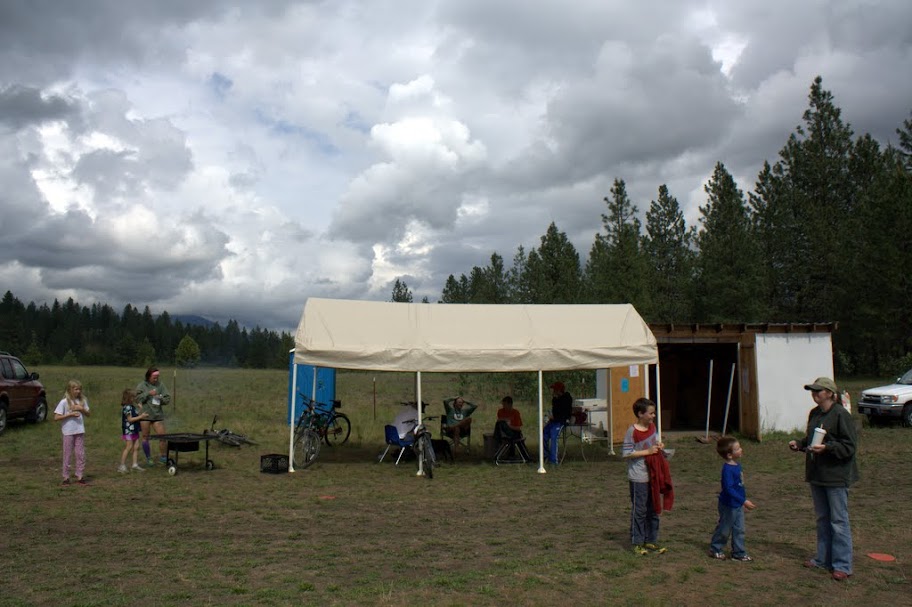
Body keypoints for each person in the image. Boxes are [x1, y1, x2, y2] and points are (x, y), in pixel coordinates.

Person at [789, 377, 858, 581]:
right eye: (812, 390)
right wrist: (800, 444)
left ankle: (842, 565)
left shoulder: (841, 415)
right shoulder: (815, 413)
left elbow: (849, 446)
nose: (814, 394)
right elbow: (812, 439)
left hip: (836, 475)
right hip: (817, 474)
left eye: (818, 391)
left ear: (829, 393)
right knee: (822, 519)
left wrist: (828, 448)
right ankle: (822, 559)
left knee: (838, 521)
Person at [622, 397, 669, 555]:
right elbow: (626, 453)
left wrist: (658, 446)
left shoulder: (652, 427)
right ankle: (637, 542)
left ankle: (651, 540)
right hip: (638, 477)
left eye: (654, 413)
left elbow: (654, 442)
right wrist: (647, 452)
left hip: (653, 476)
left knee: (654, 509)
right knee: (640, 510)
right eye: (651, 413)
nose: (653, 416)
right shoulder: (632, 431)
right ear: (640, 414)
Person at [709, 436, 756, 561]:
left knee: (739, 529)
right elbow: (729, 489)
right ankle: (715, 549)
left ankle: (739, 553)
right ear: (729, 455)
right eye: (738, 448)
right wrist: (743, 501)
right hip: (729, 505)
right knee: (725, 528)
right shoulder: (727, 470)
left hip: (737, 504)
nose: (741, 450)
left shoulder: (737, 466)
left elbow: (739, 486)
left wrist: (741, 501)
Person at [54, 379, 91, 486]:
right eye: (76, 389)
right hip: (68, 432)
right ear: (70, 389)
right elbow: (56, 417)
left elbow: (88, 414)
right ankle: (66, 477)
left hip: (79, 430)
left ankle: (80, 475)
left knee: (80, 454)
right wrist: (69, 415)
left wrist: (81, 409)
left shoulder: (82, 401)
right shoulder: (64, 402)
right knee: (67, 454)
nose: (78, 391)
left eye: (79, 389)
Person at [136, 367, 172, 465]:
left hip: (157, 415)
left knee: (163, 436)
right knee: (145, 437)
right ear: (148, 376)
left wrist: (160, 398)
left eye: (157, 377)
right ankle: (149, 458)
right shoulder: (142, 385)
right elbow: (137, 398)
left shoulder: (161, 385)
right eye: (154, 378)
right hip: (145, 415)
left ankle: (163, 457)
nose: (156, 379)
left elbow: (167, 399)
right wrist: (148, 393)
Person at [118, 389, 148, 473]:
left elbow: (135, 415)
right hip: (129, 430)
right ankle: (122, 466)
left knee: (136, 446)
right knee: (129, 447)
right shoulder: (127, 407)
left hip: (135, 429)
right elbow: (130, 419)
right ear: (129, 398)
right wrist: (141, 416)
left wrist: (140, 409)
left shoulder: (132, 407)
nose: (135, 398)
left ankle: (134, 465)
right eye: (133, 397)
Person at [543, 381, 573, 464]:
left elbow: (565, 413)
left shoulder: (566, 398)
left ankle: (553, 460)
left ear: (558, 390)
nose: (553, 391)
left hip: (561, 421)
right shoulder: (555, 399)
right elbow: (554, 411)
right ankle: (545, 455)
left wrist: (555, 417)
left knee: (554, 437)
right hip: (553, 421)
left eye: (554, 389)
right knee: (543, 434)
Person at [495, 396, 531, 460]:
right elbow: (499, 421)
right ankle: (515, 455)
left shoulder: (515, 413)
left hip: (514, 431)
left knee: (517, 437)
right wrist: (506, 421)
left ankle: (524, 456)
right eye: (503, 404)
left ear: (510, 404)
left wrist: (509, 426)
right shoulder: (500, 411)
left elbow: (518, 428)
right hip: (504, 433)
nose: (503, 406)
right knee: (502, 425)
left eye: (505, 405)